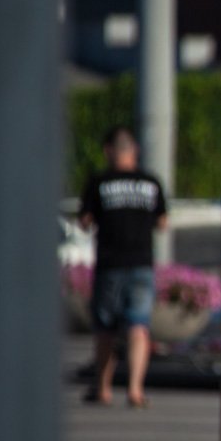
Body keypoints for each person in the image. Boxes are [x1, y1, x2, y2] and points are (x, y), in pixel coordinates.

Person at [78, 126, 168, 409]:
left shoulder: (99, 182)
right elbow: (162, 222)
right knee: (138, 326)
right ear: (135, 151)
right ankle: (135, 389)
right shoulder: (151, 182)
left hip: (109, 264)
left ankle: (103, 388)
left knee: (105, 328)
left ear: (108, 151)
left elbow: (85, 221)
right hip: (141, 262)